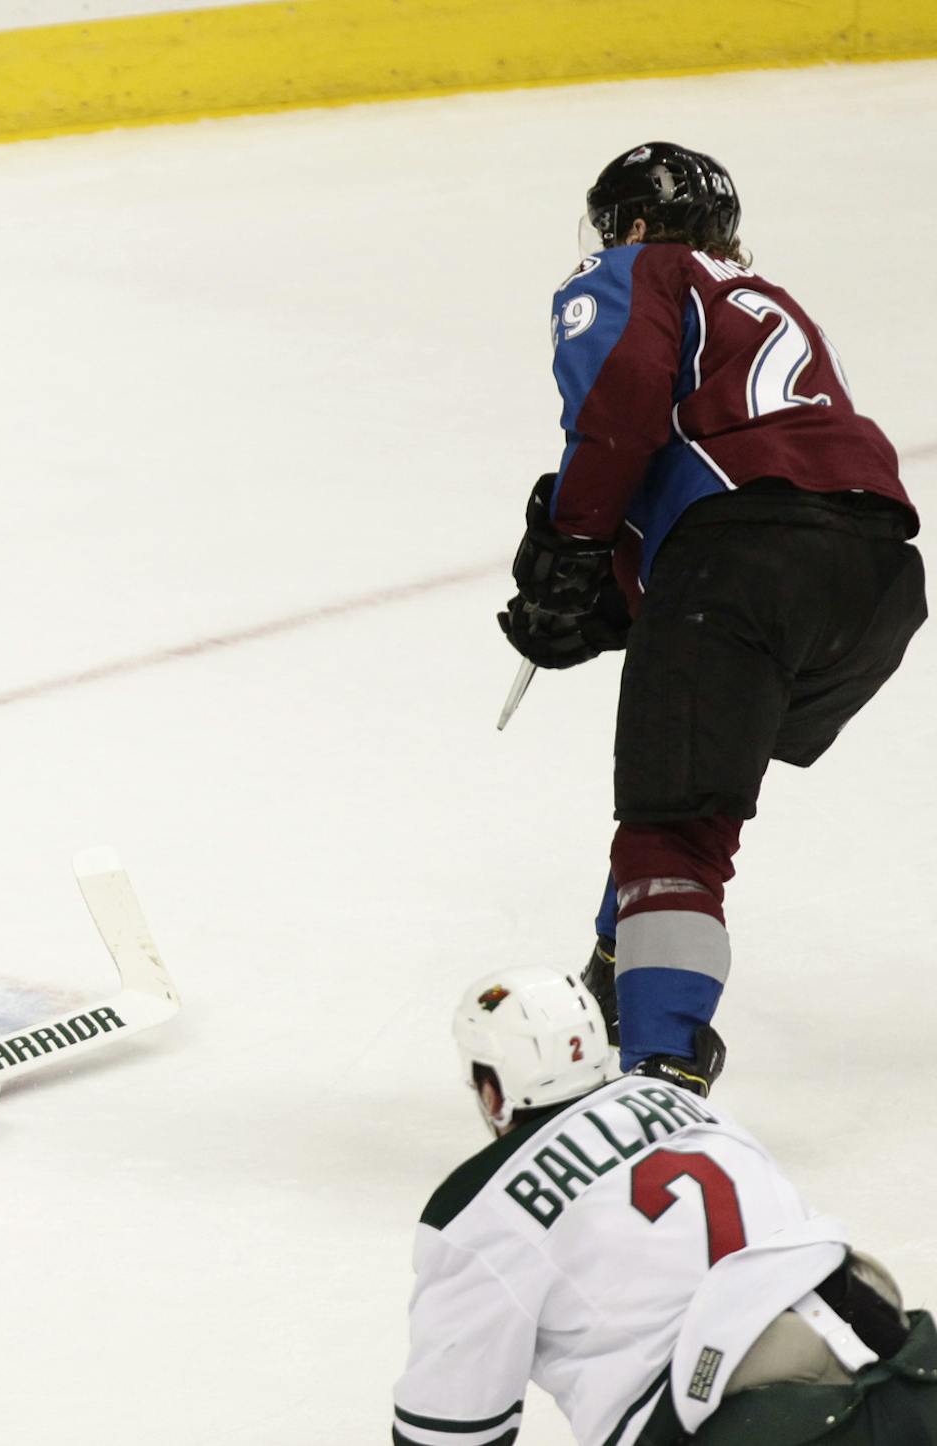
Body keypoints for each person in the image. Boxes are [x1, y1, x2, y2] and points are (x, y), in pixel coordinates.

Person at [497, 142, 924, 1093]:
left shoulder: (637, 268)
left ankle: (659, 1072)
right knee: (693, 791)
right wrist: (616, 591)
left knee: (675, 827)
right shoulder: (768, 302)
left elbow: (620, 407)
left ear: (635, 224)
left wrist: (572, 547)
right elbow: (745, 461)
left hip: (745, 556)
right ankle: (621, 971)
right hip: (877, 581)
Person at [394, 966, 937, 1446]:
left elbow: (449, 1431)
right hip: (897, 1353)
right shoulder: (681, 1101)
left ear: (492, 1091)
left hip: (758, 1418)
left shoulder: (475, 1210)